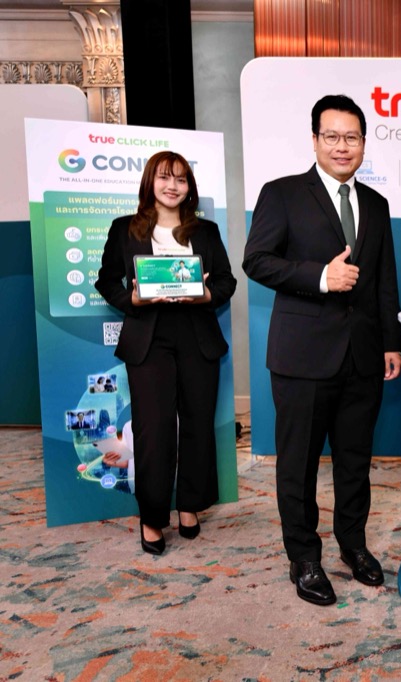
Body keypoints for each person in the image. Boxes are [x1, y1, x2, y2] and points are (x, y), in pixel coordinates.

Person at [242, 94, 401, 606]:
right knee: (299, 464)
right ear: (314, 140)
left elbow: (384, 279)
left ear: (363, 143)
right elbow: (256, 260)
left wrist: (390, 343)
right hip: (302, 357)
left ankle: (352, 545)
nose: (341, 146)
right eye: (331, 136)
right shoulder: (283, 193)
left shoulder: (376, 204)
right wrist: (319, 277)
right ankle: (304, 558)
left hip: (362, 356)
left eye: (351, 137)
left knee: (355, 461)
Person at [95, 151, 236, 556]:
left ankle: (189, 505)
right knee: (153, 431)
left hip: (197, 335)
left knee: (197, 424)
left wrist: (206, 294)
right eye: (164, 177)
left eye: (180, 179)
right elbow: (106, 280)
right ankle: (152, 517)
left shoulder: (206, 232)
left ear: (189, 187)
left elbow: (226, 282)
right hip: (149, 338)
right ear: (150, 183)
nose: (172, 186)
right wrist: (132, 299)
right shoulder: (125, 229)